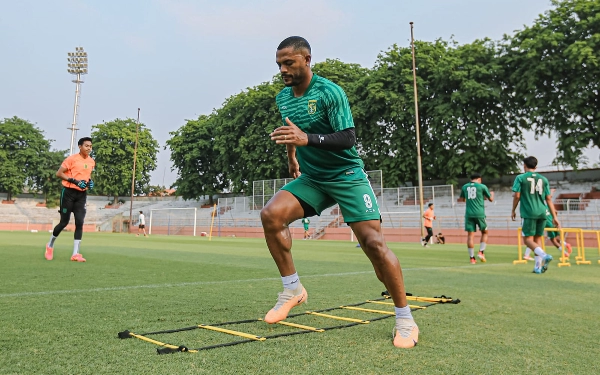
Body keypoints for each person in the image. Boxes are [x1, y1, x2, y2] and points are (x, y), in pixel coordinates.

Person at [260, 36, 418, 348]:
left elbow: (347, 138)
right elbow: (293, 131)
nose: (282, 69)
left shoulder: (330, 92)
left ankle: (405, 319)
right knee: (271, 215)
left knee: (373, 244)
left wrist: (308, 140)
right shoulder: (283, 97)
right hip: (314, 178)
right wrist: (293, 158)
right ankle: (292, 289)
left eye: (288, 62)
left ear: (307, 59)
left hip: (346, 175)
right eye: (279, 63)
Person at [45, 137, 95, 262]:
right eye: (86, 146)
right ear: (80, 146)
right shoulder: (71, 159)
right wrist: (73, 181)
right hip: (68, 193)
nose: (89, 148)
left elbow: (86, 176)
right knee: (64, 222)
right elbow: (59, 173)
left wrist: (90, 182)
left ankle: (75, 254)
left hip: (81, 196)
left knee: (80, 222)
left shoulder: (91, 161)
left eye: (90, 146)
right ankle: (50, 245)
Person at [511, 156, 560, 273]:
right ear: (536, 166)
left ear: (524, 166)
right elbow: (548, 199)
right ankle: (537, 267)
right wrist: (555, 217)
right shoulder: (543, 179)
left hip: (529, 212)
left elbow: (517, 196)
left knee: (527, 240)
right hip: (543, 212)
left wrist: (513, 210)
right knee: (537, 238)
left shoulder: (520, 178)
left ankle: (544, 255)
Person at [459, 173, 494, 264]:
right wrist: (492, 194)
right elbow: (491, 199)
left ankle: (472, 258)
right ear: (479, 179)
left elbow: (463, 199)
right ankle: (481, 252)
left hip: (469, 214)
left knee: (470, 236)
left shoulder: (465, 187)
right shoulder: (482, 186)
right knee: (485, 232)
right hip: (479, 213)